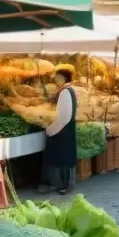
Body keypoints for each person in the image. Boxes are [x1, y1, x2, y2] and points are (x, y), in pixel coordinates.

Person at [42, 67, 77, 196]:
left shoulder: (65, 92)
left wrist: (51, 130)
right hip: (66, 128)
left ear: (63, 78)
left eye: (57, 77)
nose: (55, 79)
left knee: (62, 157)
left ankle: (63, 185)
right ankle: (65, 185)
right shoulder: (68, 90)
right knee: (65, 156)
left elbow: (64, 116)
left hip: (63, 130)